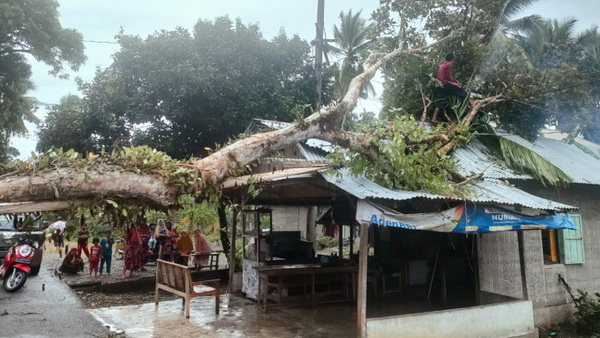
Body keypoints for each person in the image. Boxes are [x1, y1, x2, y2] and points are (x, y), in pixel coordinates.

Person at [432, 53, 469, 124]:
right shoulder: (449, 64)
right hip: (445, 84)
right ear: (452, 59)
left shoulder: (442, 64)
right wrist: (456, 84)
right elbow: (448, 77)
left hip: (440, 84)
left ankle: (434, 118)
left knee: (439, 101)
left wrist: (454, 81)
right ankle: (470, 104)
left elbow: (445, 77)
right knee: (463, 92)